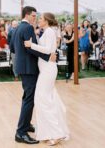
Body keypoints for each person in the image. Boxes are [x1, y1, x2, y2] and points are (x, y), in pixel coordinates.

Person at [12, 6, 56, 145]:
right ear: (27, 15)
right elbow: (30, 48)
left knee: (28, 97)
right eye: (33, 15)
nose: (35, 18)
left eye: (37, 16)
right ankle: (21, 132)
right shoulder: (28, 28)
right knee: (29, 99)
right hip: (29, 68)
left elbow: (13, 47)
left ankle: (27, 124)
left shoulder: (18, 27)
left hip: (23, 67)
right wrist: (48, 56)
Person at [24, 12, 69, 145]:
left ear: (47, 21)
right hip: (45, 69)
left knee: (42, 99)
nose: (38, 20)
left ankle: (56, 133)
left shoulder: (49, 31)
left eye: (41, 19)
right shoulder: (47, 31)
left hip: (48, 70)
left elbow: (48, 49)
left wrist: (31, 45)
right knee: (47, 99)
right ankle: (50, 131)